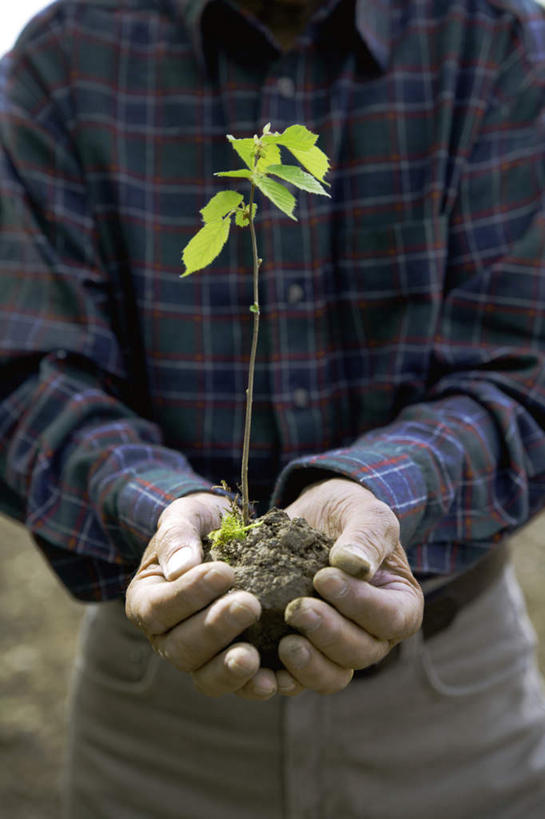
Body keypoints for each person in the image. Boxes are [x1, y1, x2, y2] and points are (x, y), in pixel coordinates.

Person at [1, 0, 545, 815]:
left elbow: (525, 365)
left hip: (455, 703)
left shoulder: (500, 45)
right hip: (154, 710)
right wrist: (166, 505)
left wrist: (376, 494)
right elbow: (26, 375)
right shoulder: (66, 57)